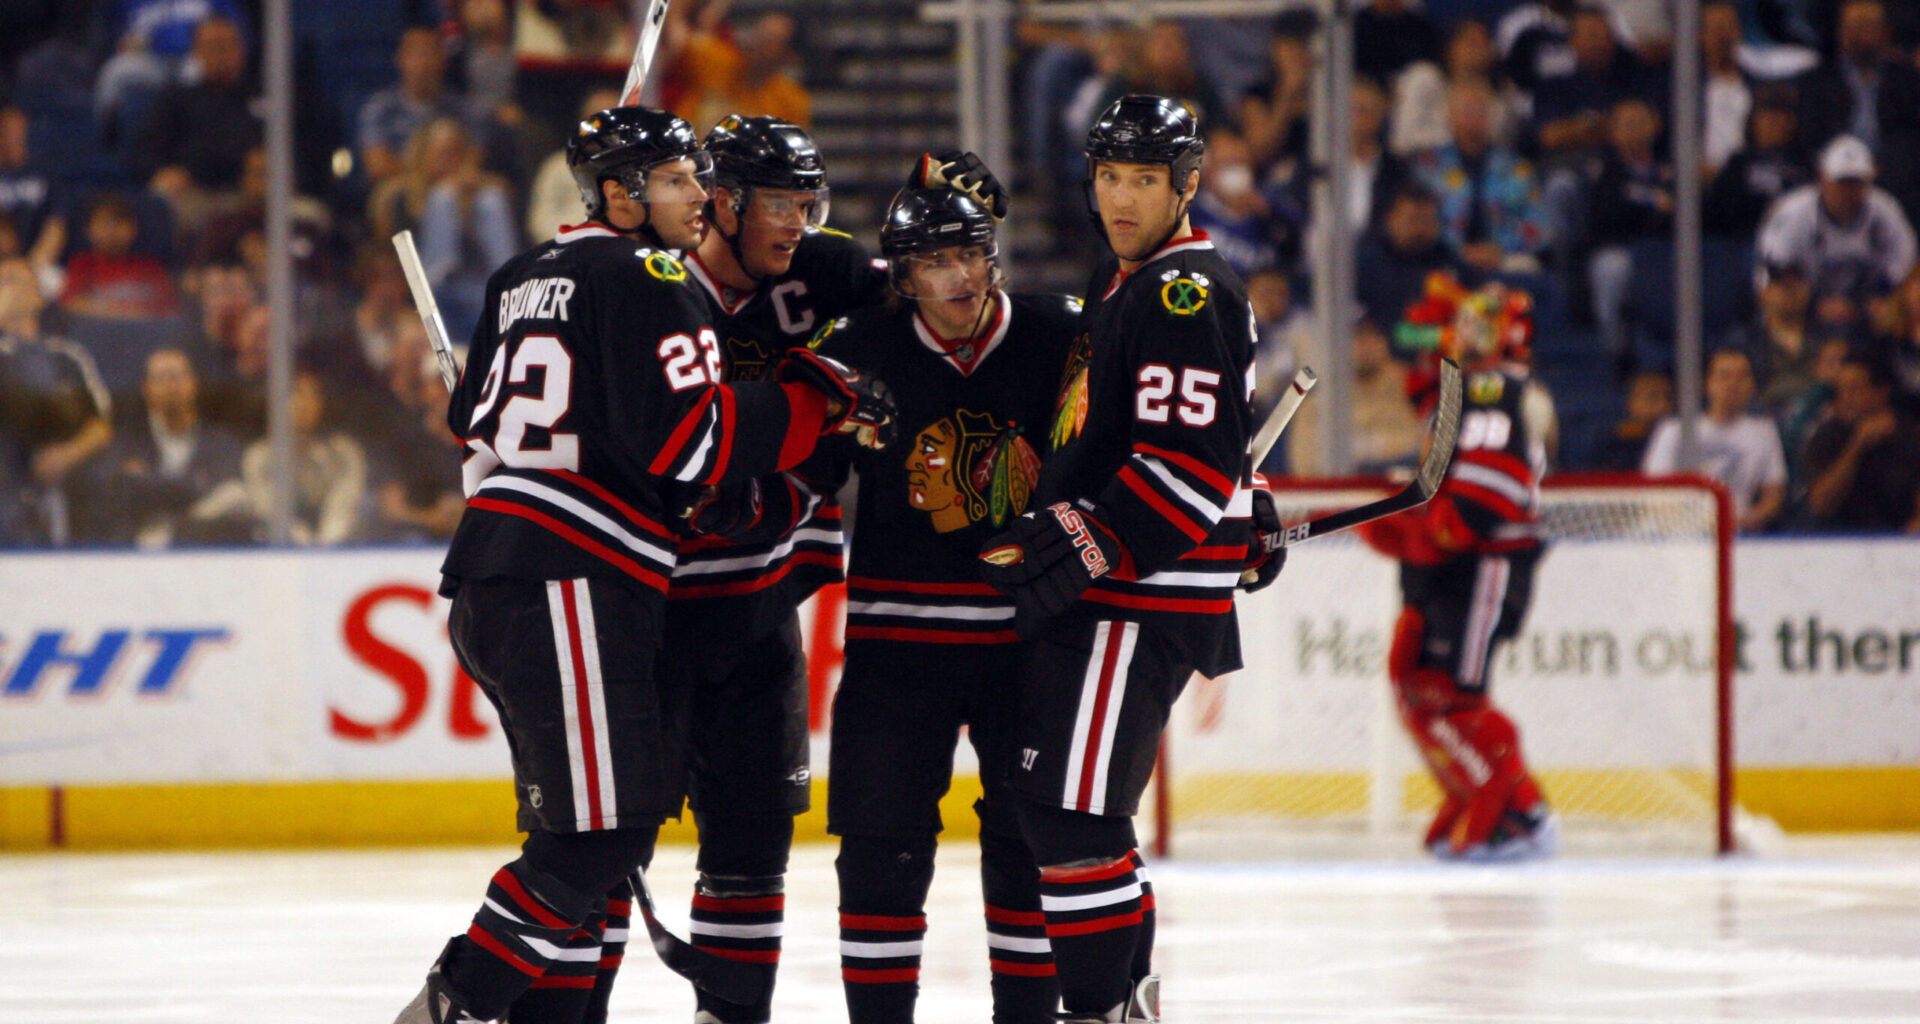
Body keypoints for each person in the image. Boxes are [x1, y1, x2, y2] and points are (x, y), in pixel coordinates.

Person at [390, 104, 895, 1024]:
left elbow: (472, 427)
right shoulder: (652, 272)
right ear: (621, 195)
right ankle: (451, 1008)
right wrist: (816, 404)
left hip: (520, 570)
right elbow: (692, 442)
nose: (697, 194)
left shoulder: (519, 274)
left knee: (601, 834)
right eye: (675, 179)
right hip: (578, 577)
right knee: (597, 839)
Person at [975, 94, 1277, 1024]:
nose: (1120, 197)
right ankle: (1126, 999)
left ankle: (1100, 1009)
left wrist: (1087, 538)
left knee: (1069, 817)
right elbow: (1207, 446)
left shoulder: (1182, 291)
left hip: (1134, 598)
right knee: (1074, 811)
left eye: (1144, 179)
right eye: (1109, 175)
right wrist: (1249, 500)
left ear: (1186, 184)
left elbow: (1185, 466)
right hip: (1126, 592)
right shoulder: (1127, 281)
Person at [812, 185, 1079, 1024]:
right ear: (903, 277)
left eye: (968, 254)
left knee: (1028, 850)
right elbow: (800, 471)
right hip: (896, 650)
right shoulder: (857, 347)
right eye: (934, 262)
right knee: (879, 854)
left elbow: (1140, 435)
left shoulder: (1062, 334)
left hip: (1028, 644)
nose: (958, 276)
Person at [659, 113, 889, 1024]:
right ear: (721, 203)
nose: (797, 223)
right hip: (647, 615)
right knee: (604, 844)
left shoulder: (820, 276)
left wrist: (932, 227)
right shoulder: (650, 289)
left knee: (752, 854)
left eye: (808, 203)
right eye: (779, 204)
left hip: (757, 610)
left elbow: (929, 309)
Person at [1357, 281, 1558, 862]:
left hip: (1484, 563)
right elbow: (1422, 367)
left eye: (1474, 323)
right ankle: (1477, 796)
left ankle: (1517, 811)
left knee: (1456, 697)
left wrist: (1428, 533)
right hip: (1461, 565)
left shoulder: (1497, 385)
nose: (1459, 333)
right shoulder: (1473, 386)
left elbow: (1485, 491)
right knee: (1425, 688)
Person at [0, 254, 112, 547]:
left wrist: (67, 454)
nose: (8, 288)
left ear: (37, 295)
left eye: (15, 280)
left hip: (62, 467)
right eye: (2, 282)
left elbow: (101, 424)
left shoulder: (66, 354)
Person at [1642, 348, 1789, 533]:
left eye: (1741, 377)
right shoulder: (1673, 431)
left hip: (1737, 532)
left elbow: (1773, 495)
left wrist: (1750, 518)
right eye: (1724, 376)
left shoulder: (1764, 432)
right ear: (1708, 383)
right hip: (1676, 533)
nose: (1733, 384)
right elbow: (1655, 491)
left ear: (1752, 385)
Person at [1801, 347, 1920, 531]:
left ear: (1881, 392)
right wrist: (1857, 445)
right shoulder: (1827, 435)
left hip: (1900, 539)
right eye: (1841, 390)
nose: (1845, 398)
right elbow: (1820, 505)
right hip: (1838, 539)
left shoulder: (1911, 435)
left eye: (1854, 389)